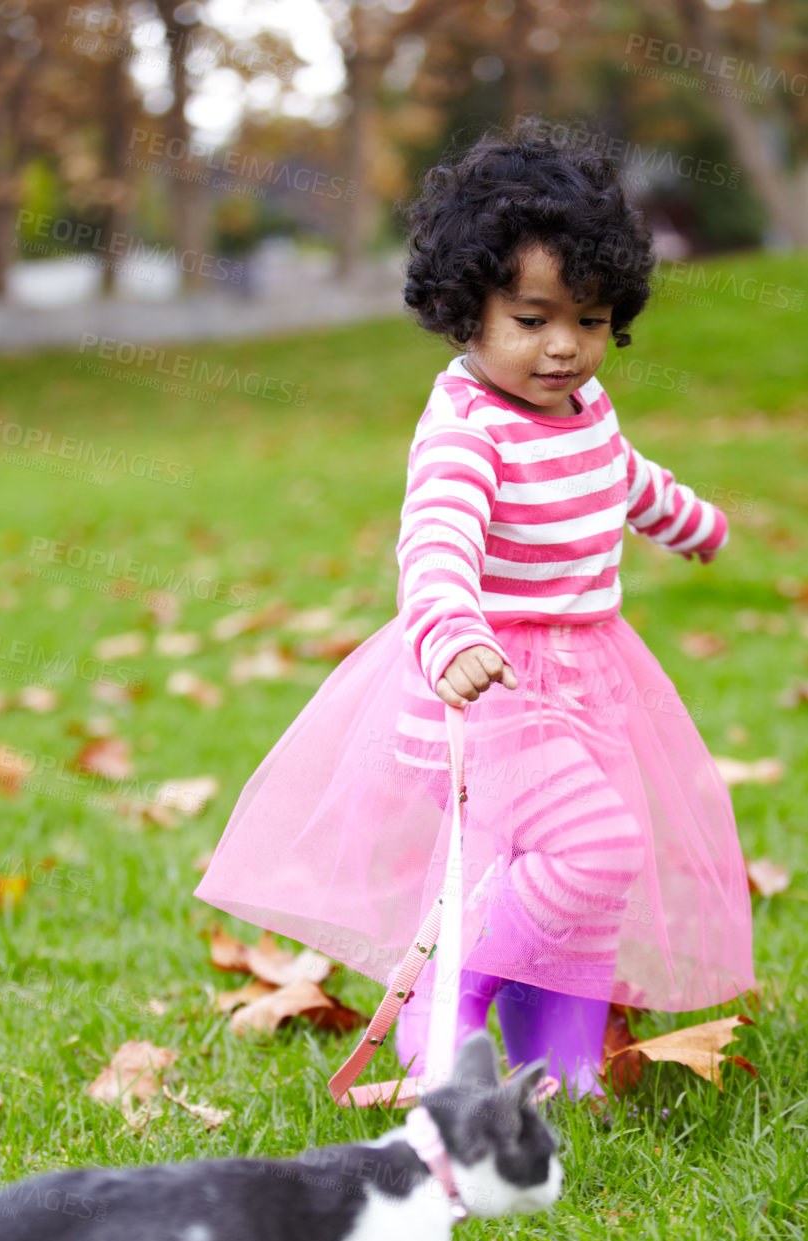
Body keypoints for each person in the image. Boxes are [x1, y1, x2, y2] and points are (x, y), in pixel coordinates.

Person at [195, 120, 753, 1097]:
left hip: (588, 677)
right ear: (466, 309)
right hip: (484, 685)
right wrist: (451, 631)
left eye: (585, 320)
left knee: (589, 875)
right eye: (530, 319)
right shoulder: (464, 426)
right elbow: (435, 544)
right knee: (593, 843)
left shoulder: (583, 408)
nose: (563, 347)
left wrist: (688, 519)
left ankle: (557, 1060)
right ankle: (442, 990)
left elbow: (616, 474)